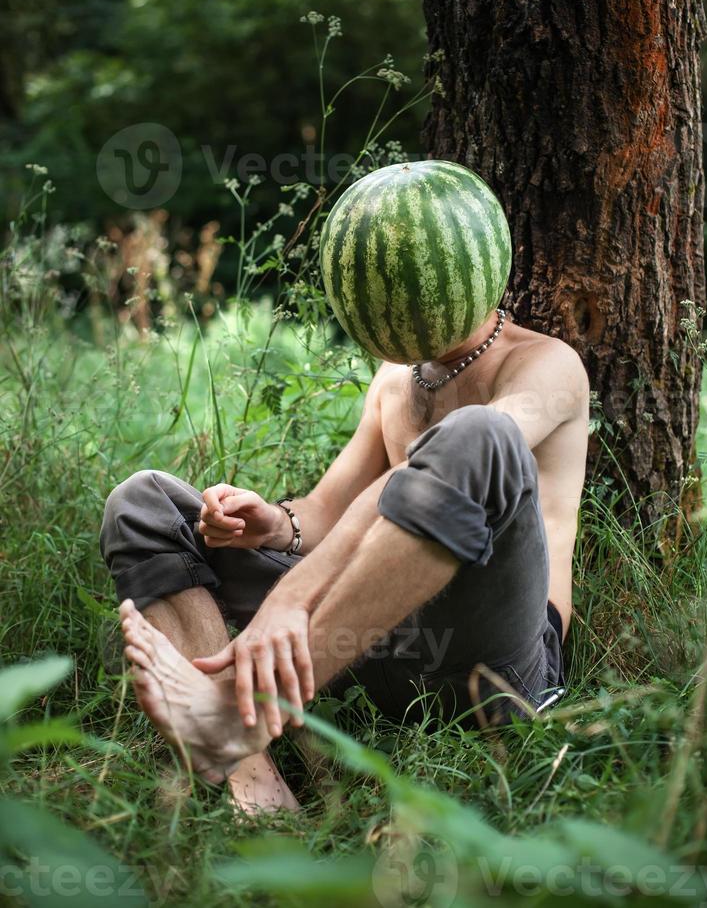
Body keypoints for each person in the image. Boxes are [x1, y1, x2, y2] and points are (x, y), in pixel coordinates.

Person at [100, 304, 589, 814]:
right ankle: (251, 777)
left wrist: (294, 594)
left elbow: (446, 467)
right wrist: (273, 522)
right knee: (141, 502)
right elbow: (331, 508)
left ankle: (241, 711)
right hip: (360, 630)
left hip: (483, 660)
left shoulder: (547, 364)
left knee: (481, 434)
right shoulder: (397, 376)